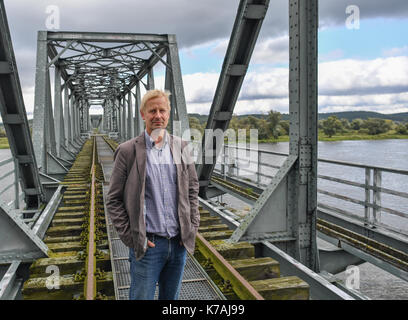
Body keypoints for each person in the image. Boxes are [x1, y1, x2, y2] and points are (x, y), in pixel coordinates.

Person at [106, 89, 199, 300]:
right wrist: (132, 237)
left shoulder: (182, 147)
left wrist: (191, 227)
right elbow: (113, 200)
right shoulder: (127, 150)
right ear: (143, 114)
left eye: (162, 110)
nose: (158, 115)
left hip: (178, 244)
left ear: (168, 114)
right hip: (148, 247)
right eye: (152, 111)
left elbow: (192, 190)